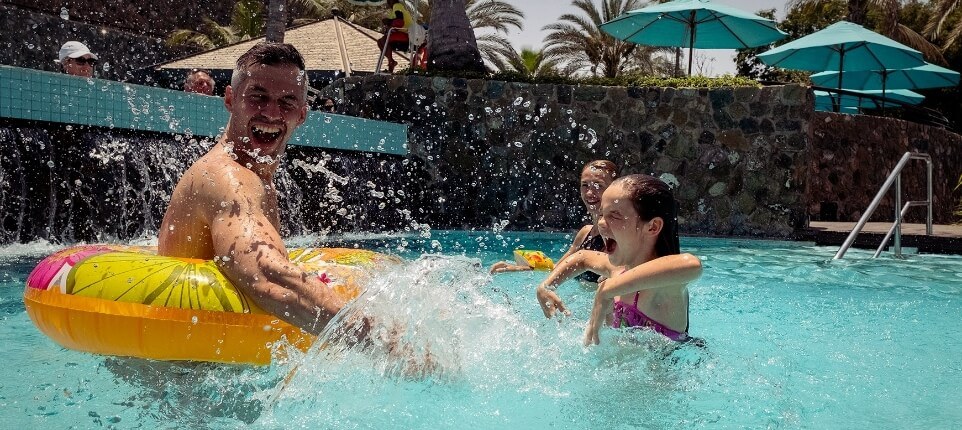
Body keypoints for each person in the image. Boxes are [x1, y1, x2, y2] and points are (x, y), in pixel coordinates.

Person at [158, 43, 344, 335]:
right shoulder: (227, 179)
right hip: (187, 373)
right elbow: (266, 275)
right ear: (231, 99)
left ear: (302, 114)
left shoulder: (256, 175)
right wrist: (385, 339)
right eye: (258, 97)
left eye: (287, 103)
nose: (271, 113)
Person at [534, 174, 702, 345]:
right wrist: (546, 286)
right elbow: (582, 256)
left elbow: (691, 265)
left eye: (614, 216)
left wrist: (607, 289)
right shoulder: (619, 270)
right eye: (601, 215)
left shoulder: (664, 288)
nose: (600, 224)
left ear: (652, 227)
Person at [490, 160, 618, 281]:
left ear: (614, 189)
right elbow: (557, 269)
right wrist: (514, 269)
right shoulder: (585, 234)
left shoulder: (620, 235)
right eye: (585, 185)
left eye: (598, 185)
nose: (589, 192)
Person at [376, 0, 412, 73]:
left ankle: (391, 63)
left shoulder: (397, 6)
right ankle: (391, 61)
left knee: (384, 40)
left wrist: (388, 21)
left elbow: (400, 22)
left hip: (407, 35)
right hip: (403, 34)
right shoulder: (396, 9)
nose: (388, 2)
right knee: (380, 42)